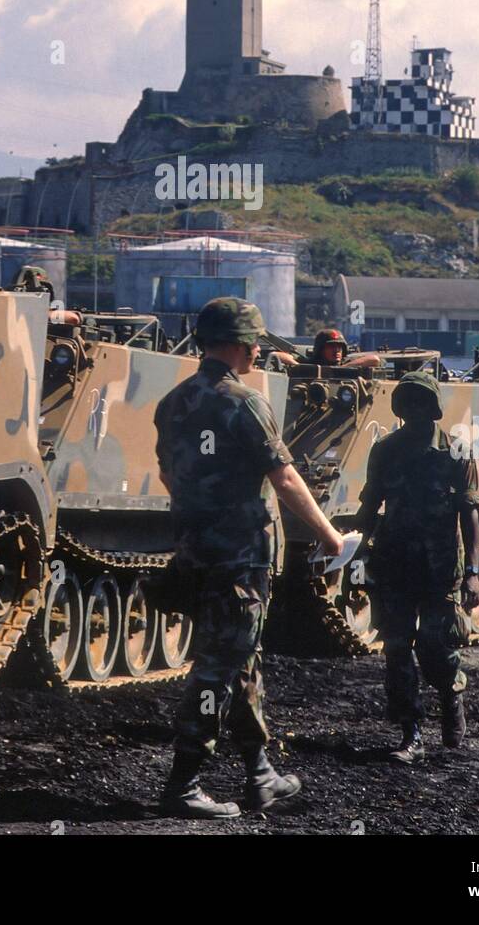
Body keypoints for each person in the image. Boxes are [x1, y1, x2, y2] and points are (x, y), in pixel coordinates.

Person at [154, 296, 344, 819]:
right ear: (240, 344)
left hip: (196, 552)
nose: (260, 349)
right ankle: (182, 784)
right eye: (256, 340)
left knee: (241, 660)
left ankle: (260, 775)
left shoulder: (171, 402)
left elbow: (169, 476)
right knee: (219, 666)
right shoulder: (245, 402)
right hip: (240, 558)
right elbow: (284, 476)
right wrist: (330, 536)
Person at [352, 370, 479, 764]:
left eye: (422, 402)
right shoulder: (385, 450)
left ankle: (450, 692)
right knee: (396, 649)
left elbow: (470, 515)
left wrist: (474, 573)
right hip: (394, 564)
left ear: (434, 408)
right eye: (407, 402)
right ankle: (411, 733)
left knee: (434, 646)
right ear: (401, 408)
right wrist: (351, 550)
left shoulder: (455, 452)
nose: (414, 410)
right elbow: (370, 505)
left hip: (441, 568)